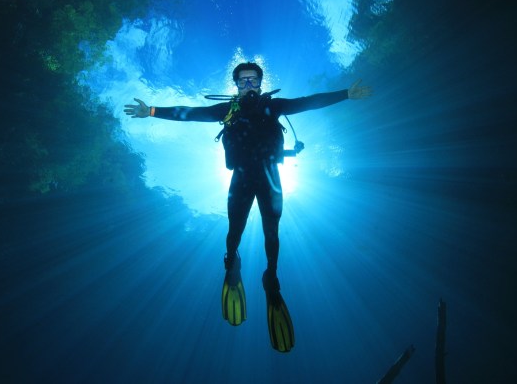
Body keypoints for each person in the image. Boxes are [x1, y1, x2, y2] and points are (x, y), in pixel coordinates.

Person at [124, 62, 371, 352]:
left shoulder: (274, 106)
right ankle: (232, 261)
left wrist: (346, 94)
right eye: (243, 82)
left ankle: (271, 278)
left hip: (269, 177)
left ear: (261, 83)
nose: (249, 86)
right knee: (234, 231)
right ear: (236, 86)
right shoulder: (227, 111)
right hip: (241, 177)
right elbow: (190, 113)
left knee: (272, 232)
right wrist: (152, 111)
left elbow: (307, 102)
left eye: (253, 81)